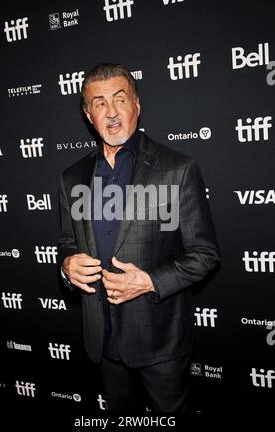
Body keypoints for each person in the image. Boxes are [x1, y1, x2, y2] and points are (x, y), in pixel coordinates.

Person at [58, 63, 220, 413]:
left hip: (160, 339)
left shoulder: (178, 168)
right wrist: (67, 265)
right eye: (99, 103)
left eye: (120, 99)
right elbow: (68, 242)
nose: (111, 112)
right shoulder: (72, 178)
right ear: (88, 114)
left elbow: (204, 254)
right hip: (100, 340)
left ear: (137, 104)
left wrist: (148, 281)